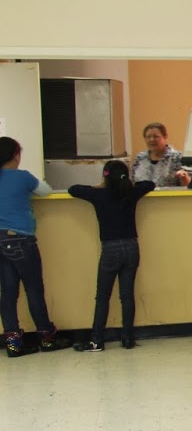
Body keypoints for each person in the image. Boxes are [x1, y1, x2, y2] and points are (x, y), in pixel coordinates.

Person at [67, 160, 155, 351]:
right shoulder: (131, 192)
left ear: (105, 176)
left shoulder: (98, 194)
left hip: (110, 249)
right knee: (127, 296)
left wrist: (98, 186)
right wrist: (131, 184)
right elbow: (150, 184)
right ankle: (127, 339)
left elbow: (73, 189)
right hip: (132, 247)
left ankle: (97, 340)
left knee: (102, 297)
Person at [1, 136, 71, 358]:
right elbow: (46, 191)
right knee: (33, 289)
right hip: (21, 240)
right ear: (16, 155)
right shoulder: (22, 177)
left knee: (8, 293)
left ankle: (13, 344)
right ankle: (47, 337)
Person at [132, 122, 191, 188]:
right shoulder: (140, 158)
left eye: (156, 136)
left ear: (165, 136)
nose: (152, 140)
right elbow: (133, 182)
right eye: (148, 137)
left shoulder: (178, 157)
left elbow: (189, 186)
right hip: (144, 198)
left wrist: (183, 177)